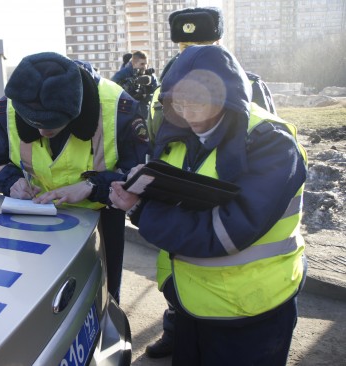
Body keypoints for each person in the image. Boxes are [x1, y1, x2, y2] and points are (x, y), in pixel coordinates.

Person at [109, 44, 307, 365]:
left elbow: (225, 231)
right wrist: (111, 185)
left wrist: (141, 210)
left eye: (200, 103)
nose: (190, 115)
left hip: (252, 314)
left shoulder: (272, 143)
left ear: (227, 97)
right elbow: (165, 188)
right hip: (192, 304)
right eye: (180, 104)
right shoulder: (178, 133)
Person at [143, 7, 278, 359]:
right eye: (185, 45)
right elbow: (159, 143)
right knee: (181, 286)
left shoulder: (245, 85)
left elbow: (261, 161)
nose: (192, 52)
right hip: (178, 209)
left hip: (228, 226)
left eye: (202, 43)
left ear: (219, 42)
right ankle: (175, 325)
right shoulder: (165, 91)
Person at [0, 52, 150, 304]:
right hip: (35, 217)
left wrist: (92, 187)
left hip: (101, 218)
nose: (42, 132)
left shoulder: (118, 108)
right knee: (38, 296)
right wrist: (11, 182)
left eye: (52, 124)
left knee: (103, 294)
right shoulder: (10, 107)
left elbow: (139, 177)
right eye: (34, 123)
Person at [148, 6, 277, 144]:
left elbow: (269, 139)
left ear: (218, 44)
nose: (194, 54)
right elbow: (154, 142)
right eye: (186, 47)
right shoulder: (161, 92)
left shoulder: (250, 87)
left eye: (202, 46)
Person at [111, 50, 159, 120]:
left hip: (145, 113)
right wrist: (127, 88)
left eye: (146, 64)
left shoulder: (150, 76)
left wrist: (146, 92)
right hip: (127, 114)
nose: (145, 67)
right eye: (142, 64)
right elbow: (112, 88)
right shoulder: (123, 74)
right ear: (134, 63)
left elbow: (156, 94)